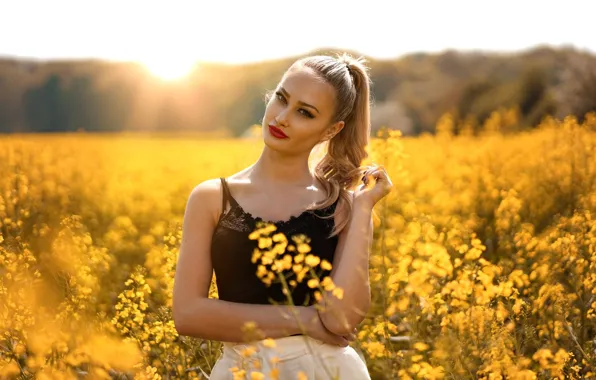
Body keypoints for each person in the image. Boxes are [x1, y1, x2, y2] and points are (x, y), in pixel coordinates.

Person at [172, 53, 393, 379]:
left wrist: (362, 210)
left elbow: (342, 321)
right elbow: (188, 315)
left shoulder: (345, 206)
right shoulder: (212, 198)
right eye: (281, 99)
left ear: (331, 129)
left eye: (305, 112)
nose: (282, 117)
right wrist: (302, 319)